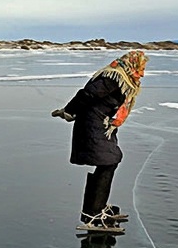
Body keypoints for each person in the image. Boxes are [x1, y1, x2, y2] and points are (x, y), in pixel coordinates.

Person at [51, 50, 148, 231]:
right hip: (93, 123)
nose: (142, 73)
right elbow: (88, 94)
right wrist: (69, 110)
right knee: (108, 161)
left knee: (110, 161)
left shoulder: (122, 78)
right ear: (132, 64)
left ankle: (96, 208)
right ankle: (94, 212)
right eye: (141, 68)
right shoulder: (113, 78)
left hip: (102, 123)